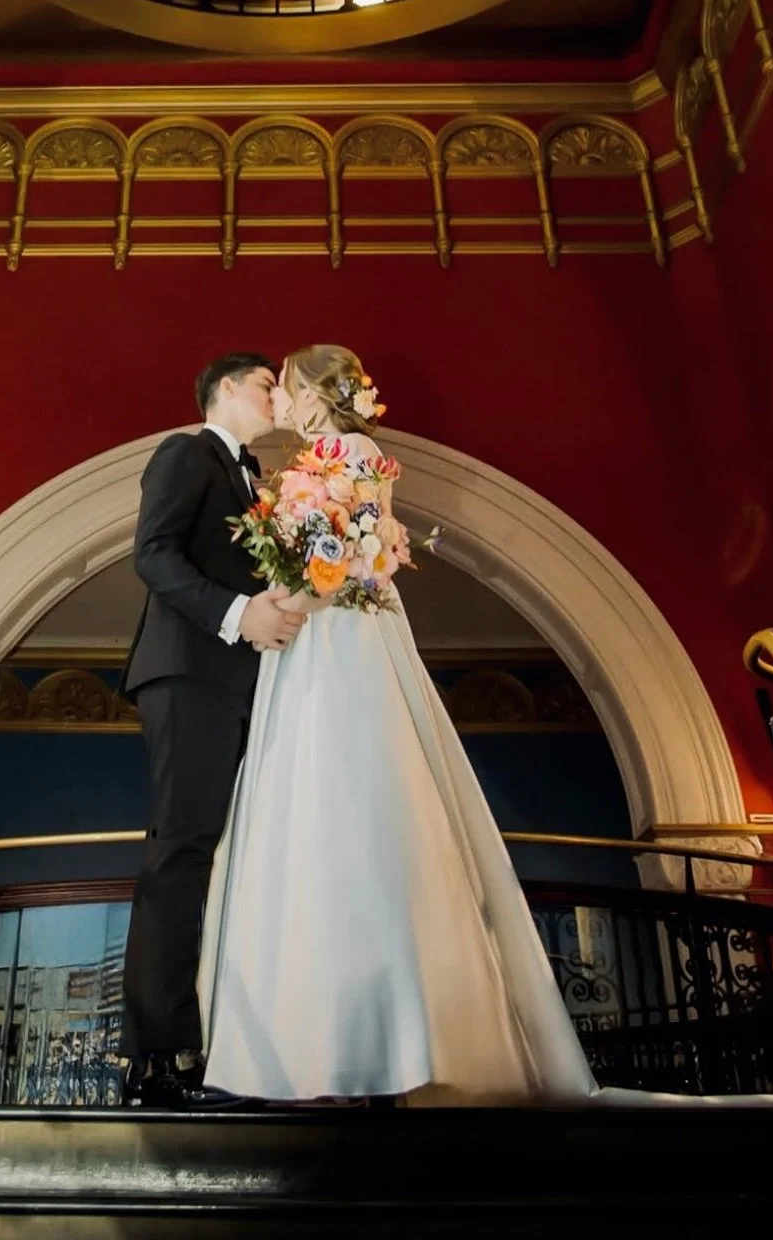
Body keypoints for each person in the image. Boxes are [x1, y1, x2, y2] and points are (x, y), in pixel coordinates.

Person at [196, 343, 597, 1106]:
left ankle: (372, 1041)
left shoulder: (350, 449)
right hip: (314, 641)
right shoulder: (329, 453)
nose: (276, 398)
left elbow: (345, 559)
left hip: (337, 639)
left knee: (348, 798)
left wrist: (281, 609)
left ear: (314, 391)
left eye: (283, 385)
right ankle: (318, 1039)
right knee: (310, 806)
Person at [118, 351, 305, 1108]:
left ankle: (215, 1042)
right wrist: (239, 616)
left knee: (226, 858)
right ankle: (152, 1057)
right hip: (190, 673)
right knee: (181, 851)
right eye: (267, 385)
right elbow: (151, 553)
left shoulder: (254, 477)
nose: (276, 396)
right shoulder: (186, 452)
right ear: (225, 388)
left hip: (238, 683)